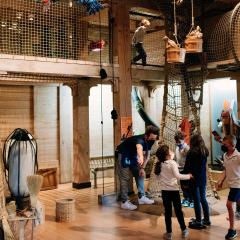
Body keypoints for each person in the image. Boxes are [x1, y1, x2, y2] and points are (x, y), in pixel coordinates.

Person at [117, 125, 159, 210]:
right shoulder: (139, 139)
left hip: (133, 155)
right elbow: (139, 147)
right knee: (125, 178)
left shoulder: (152, 140)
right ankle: (124, 202)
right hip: (123, 154)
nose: (153, 140)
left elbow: (147, 155)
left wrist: (142, 168)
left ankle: (141, 197)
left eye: (154, 138)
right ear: (146, 135)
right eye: (151, 138)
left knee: (140, 174)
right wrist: (140, 156)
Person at [155, 144, 192, 240]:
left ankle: (169, 233)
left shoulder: (160, 164)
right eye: (170, 150)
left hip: (165, 192)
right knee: (178, 211)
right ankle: (184, 230)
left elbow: (158, 178)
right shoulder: (172, 163)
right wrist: (189, 176)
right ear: (167, 154)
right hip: (174, 192)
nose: (172, 151)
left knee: (167, 212)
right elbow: (178, 176)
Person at [183, 134, 210, 229]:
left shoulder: (191, 152)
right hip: (202, 178)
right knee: (203, 198)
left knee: (196, 200)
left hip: (193, 178)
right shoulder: (204, 151)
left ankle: (198, 221)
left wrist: (182, 174)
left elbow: (187, 167)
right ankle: (206, 219)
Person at [217, 135, 240, 240]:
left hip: (237, 184)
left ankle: (232, 230)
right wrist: (221, 180)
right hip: (231, 185)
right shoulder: (225, 155)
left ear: (233, 145)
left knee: (229, 205)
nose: (224, 146)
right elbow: (225, 170)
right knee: (237, 203)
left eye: (226, 144)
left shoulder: (239, 156)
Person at [174, 131, 193, 207]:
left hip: (187, 169)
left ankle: (191, 200)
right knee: (183, 185)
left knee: (188, 185)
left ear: (183, 139)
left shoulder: (186, 147)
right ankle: (186, 198)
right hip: (180, 169)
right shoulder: (177, 147)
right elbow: (177, 158)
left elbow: (190, 159)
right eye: (176, 141)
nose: (177, 142)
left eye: (179, 141)